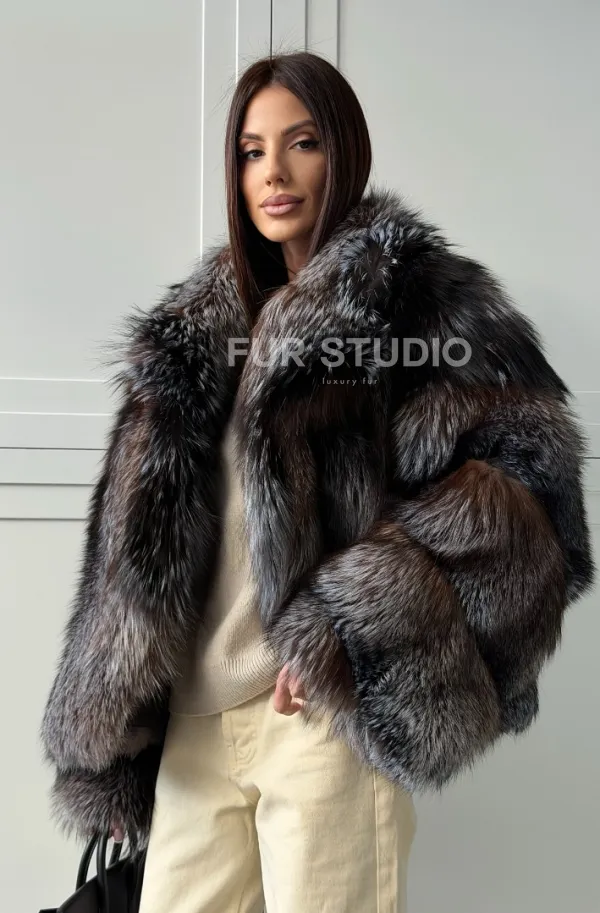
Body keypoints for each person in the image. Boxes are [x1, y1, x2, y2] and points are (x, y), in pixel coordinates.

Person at [39, 51, 595, 913]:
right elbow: (138, 549)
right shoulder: (192, 335)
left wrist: (346, 631)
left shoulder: (415, 305)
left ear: (344, 150)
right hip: (192, 725)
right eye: (251, 151)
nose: (274, 172)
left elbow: (525, 494)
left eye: (301, 143)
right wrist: (116, 729)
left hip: (317, 723)